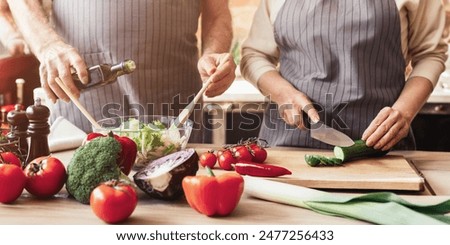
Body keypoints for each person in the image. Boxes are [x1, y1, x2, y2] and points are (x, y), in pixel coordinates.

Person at [7, 0, 236, 143]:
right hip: (80, 105)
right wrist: (47, 45)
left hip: (173, 107)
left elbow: (217, 13)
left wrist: (212, 54)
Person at [240, 0, 448, 151]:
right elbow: (254, 55)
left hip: (382, 150)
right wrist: (281, 92)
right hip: (286, 148)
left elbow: (430, 55)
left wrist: (404, 111)